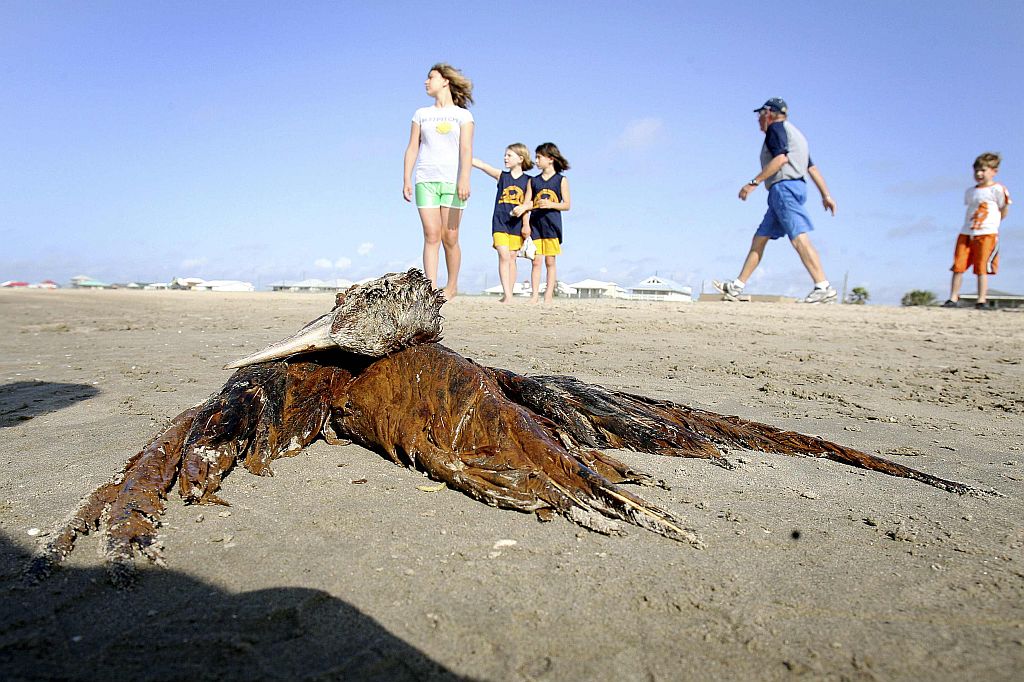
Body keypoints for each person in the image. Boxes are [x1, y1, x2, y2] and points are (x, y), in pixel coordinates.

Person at [712, 98, 838, 304]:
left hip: (784, 188)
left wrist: (753, 183)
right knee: (760, 238)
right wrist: (826, 195)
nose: (758, 119)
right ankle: (737, 287)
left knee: (798, 237)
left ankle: (823, 286)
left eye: (760, 114)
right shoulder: (797, 135)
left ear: (769, 113)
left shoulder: (776, 129)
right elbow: (811, 168)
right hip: (790, 188)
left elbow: (781, 159)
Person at [403, 63, 474, 300]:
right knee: (431, 234)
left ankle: (451, 287)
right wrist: (407, 178)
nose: (426, 82)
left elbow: (466, 149)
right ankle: (430, 289)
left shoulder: (463, 115)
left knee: (450, 236)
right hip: (425, 180)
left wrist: (464, 178)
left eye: (430, 77)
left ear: (445, 81)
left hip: (453, 182)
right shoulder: (421, 114)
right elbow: (413, 147)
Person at [943, 152, 1011, 309]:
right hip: (967, 232)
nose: (979, 174)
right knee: (958, 265)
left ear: (994, 171)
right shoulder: (971, 191)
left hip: (987, 233)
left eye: (983, 170)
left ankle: (981, 299)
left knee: (981, 267)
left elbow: (1004, 209)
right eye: (976, 171)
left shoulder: (998, 189)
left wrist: (994, 223)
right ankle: (953, 297)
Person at [472, 144, 534, 304]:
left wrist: (526, 223)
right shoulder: (502, 176)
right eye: (505, 155)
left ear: (520, 159)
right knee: (503, 255)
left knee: (512, 257)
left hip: (517, 224)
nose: (505, 158)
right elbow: (483, 166)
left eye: (509, 155)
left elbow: (530, 203)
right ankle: (507, 294)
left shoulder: (529, 181)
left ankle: (509, 294)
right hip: (500, 222)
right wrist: (466, 157)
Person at [523, 142, 571, 303]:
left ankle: (548, 295)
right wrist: (526, 223)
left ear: (550, 159)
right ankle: (534, 295)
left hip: (552, 226)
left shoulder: (561, 180)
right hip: (535, 225)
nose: (536, 161)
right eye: (536, 157)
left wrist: (551, 204)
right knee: (536, 261)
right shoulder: (533, 181)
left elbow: (567, 205)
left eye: (539, 157)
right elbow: (527, 203)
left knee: (550, 261)